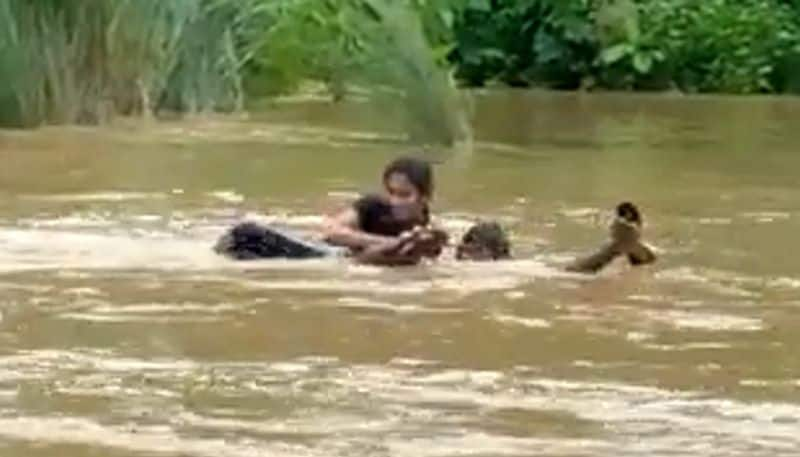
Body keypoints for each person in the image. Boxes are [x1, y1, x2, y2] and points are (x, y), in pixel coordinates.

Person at [454, 202, 657, 273]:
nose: (460, 252)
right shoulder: (496, 265)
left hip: (520, 269)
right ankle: (623, 248)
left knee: (569, 273)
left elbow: (573, 272)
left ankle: (618, 247)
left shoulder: (493, 268)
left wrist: (613, 248)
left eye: (468, 247)